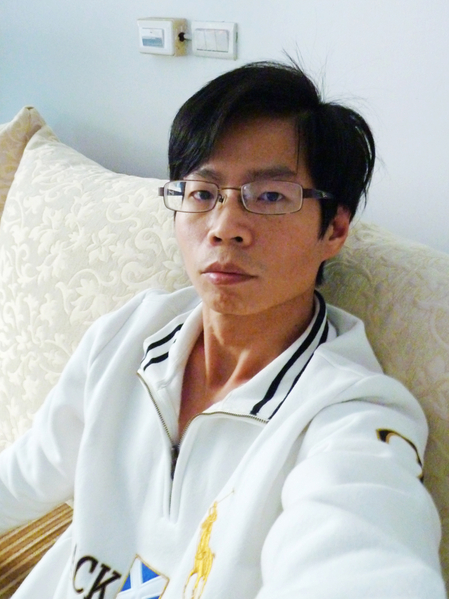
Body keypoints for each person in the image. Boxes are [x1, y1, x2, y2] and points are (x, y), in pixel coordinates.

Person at [0, 61, 445, 598]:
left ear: (334, 229)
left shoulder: (349, 414)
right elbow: (24, 476)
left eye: (271, 196)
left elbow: (360, 552)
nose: (225, 227)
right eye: (203, 193)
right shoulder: (129, 334)